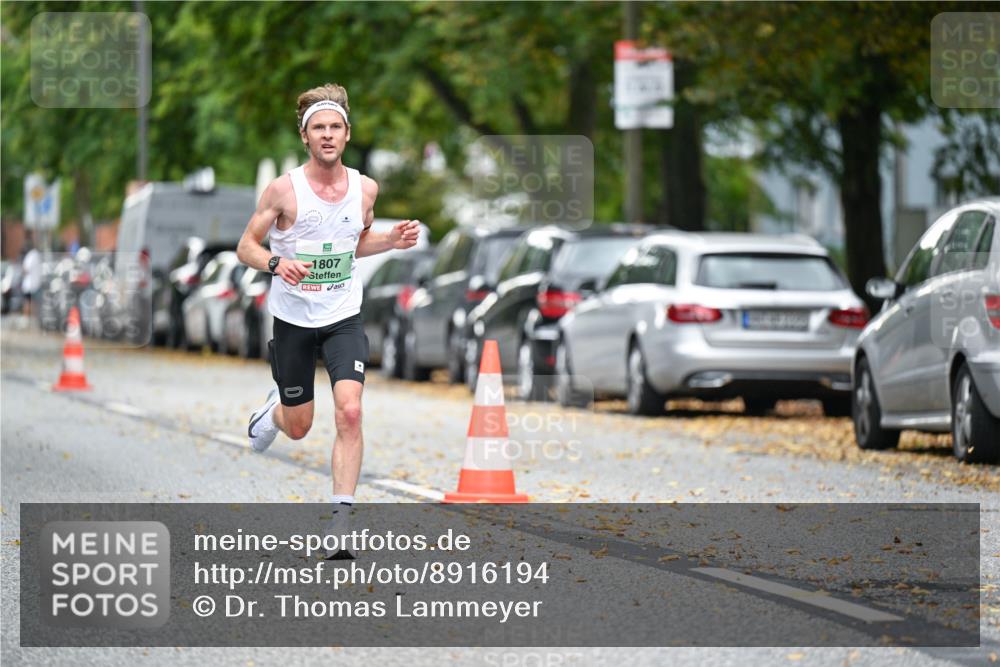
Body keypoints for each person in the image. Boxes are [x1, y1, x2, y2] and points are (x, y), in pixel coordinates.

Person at [236, 83, 419, 554]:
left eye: (335, 127)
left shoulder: (365, 188)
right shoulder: (284, 190)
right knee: (299, 427)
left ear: (347, 133)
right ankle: (274, 412)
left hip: (342, 315)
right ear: (305, 136)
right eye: (318, 127)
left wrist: (392, 240)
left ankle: (341, 524)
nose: (328, 135)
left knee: (350, 411)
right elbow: (246, 246)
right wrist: (276, 263)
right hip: (294, 318)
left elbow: (355, 244)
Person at [21, 239, 42, 320]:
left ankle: (27, 320)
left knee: (28, 302)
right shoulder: (37, 255)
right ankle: (34, 319)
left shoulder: (31, 255)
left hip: (29, 285)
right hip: (36, 284)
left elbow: (26, 269)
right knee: (34, 303)